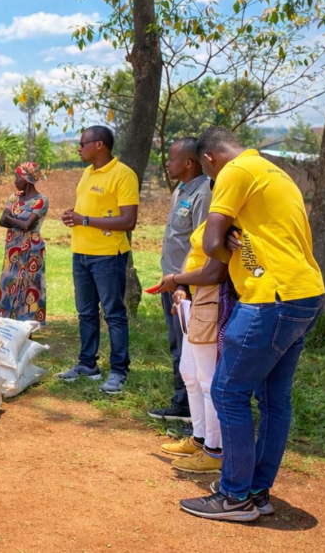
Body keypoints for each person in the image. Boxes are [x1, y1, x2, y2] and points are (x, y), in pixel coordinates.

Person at [179, 127, 325, 521]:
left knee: (227, 392)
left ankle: (234, 496)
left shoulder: (234, 172)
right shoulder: (275, 172)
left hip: (270, 298)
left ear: (209, 159)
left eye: (209, 176)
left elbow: (211, 243)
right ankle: (256, 490)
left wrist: (226, 242)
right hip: (305, 292)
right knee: (274, 399)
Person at [56, 125, 139, 395]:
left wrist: (86, 220)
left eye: (82, 143)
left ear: (99, 145)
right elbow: (87, 212)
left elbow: (129, 221)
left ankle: (119, 370)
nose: (78, 148)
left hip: (108, 255)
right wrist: (75, 217)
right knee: (86, 313)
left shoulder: (123, 175)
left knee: (113, 313)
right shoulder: (86, 173)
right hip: (81, 253)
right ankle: (87, 364)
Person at [153, 220, 228, 475]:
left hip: (211, 300)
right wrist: (183, 286)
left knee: (208, 382)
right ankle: (199, 438)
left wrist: (175, 279)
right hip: (193, 301)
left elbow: (214, 271)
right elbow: (193, 253)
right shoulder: (211, 219)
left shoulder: (230, 220)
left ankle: (214, 451)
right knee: (189, 373)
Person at [148, 137, 210, 424]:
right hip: (173, 281)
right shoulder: (180, 191)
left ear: (188, 162)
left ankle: (189, 408)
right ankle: (183, 402)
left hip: (188, 287)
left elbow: (200, 245)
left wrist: (183, 284)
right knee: (177, 344)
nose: (168, 164)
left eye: (172, 159)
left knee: (189, 347)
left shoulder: (204, 193)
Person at [0, 162, 49, 323]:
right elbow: (2, 221)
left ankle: (28, 329)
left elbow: (26, 225)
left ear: (26, 179)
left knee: (29, 288)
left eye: (17, 176)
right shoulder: (14, 197)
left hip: (32, 252)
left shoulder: (41, 200)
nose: (14, 181)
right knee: (8, 284)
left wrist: (13, 219)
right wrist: (21, 221)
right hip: (13, 250)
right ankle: (7, 325)